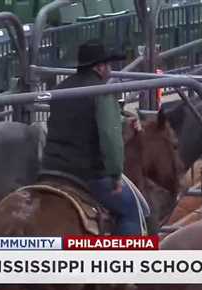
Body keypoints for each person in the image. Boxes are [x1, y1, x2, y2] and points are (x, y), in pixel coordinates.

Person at [42, 40, 144, 236]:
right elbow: (110, 138)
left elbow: (77, 120)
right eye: (108, 65)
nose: (111, 70)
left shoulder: (61, 89)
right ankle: (128, 262)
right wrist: (115, 175)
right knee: (131, 210)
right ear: (99, 67)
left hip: (50, 169)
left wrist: (121, 118)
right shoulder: (101, 92)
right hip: (86, 174)